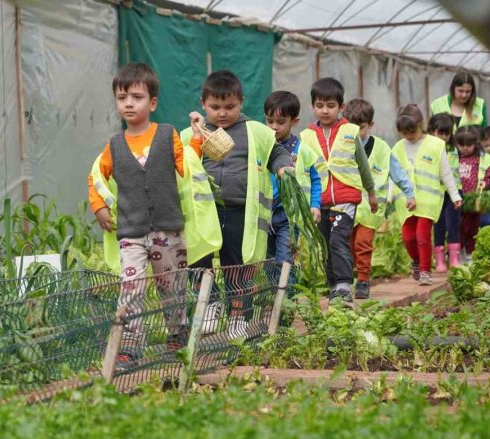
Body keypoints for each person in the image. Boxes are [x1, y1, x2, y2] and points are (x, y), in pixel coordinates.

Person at [87, 63, 219, 363]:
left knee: (171, 287)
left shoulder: (167, 134)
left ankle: (177, 334)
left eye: (137, 97)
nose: (129, 103)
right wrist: (99, 207)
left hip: (167, 231)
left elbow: (187, 166)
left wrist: (198, 137)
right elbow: (95, 176)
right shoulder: (115, 145)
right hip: (131, 233)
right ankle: (131, 345)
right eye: (122, 98)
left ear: (153, 102)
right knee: (131, 288)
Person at [183, 70, 295, 339]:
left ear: (241, 102)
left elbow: (276, 152)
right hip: (203, 213)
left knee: (238, 266)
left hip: (240, 213)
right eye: (215, 107)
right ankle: (210, 305)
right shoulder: (192, 133)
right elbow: (178, 162)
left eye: (230, 107)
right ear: (203, 104)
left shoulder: (255, 131)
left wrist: (283, 167)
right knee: (198, 262)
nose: (222, 113)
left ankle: (238, 317)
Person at [299, 77, 377, 306]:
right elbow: (303, 170)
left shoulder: (350, 132)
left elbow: (363, 165)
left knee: (337, 240)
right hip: (319, 199)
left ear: (341, 107)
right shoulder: (306, 136)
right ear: (313, 106)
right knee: (325, 244)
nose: (325, 111)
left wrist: (371, 193)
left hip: (345, 197)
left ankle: (344, 285)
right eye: (320, 105)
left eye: (331, 106)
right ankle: (334, 286)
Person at [344, 98, 415, 299]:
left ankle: (364, 280)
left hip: (370, 209)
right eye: (352, 127)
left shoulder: (382, 149)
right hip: (346, 206)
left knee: (363, 244)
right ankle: (346, 281)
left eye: (361, 127)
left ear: (370, 126)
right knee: (347, 245)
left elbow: (398, 172)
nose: (357, 132)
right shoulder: (342, 146)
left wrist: (409, 193)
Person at [391, 104, 462, 286]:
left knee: (422, 235)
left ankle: (425, 271)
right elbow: (393, 174)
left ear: (421, 124)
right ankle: (416, 261)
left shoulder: (436, 145)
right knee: (408, 238)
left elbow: (446, 172)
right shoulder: (398, 148)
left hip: (428, 201)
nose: (409, 136)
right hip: (406, 202)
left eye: (412, 131)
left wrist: (454, 195)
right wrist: (388, 197)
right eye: (404, 133)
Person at [262, 91, 322, 276]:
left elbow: (315, 179)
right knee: (268, 260)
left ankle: (289, 298)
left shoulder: (302, 149)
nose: (274, 127)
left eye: (280, 122)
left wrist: (315, 205)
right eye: (269, 121)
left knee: (285, 258)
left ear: (294, 121)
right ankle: (273, 300)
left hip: (289, 216)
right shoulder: (261, 146)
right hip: (264, 213)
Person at [427, 113, 462, 271]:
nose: (444, 137)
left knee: (453, 225)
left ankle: (454, 258)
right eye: (440, 133)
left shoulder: (454, 149)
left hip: (453, 193)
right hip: (436, 193)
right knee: (439, 225)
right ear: (432, 131)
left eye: (447, 133)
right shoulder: (428, 148)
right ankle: (440, 261)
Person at [455, 126, 490, 259]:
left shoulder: (480, 159)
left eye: (469, 145)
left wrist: (485, 183)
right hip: (456, 199)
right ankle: (457, 253)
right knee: (457, 227)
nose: (465, 148)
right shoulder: (453, 157)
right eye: (462, 145)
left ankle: (470, 254)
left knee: (472, 228)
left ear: (475, 144)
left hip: (474, 201)